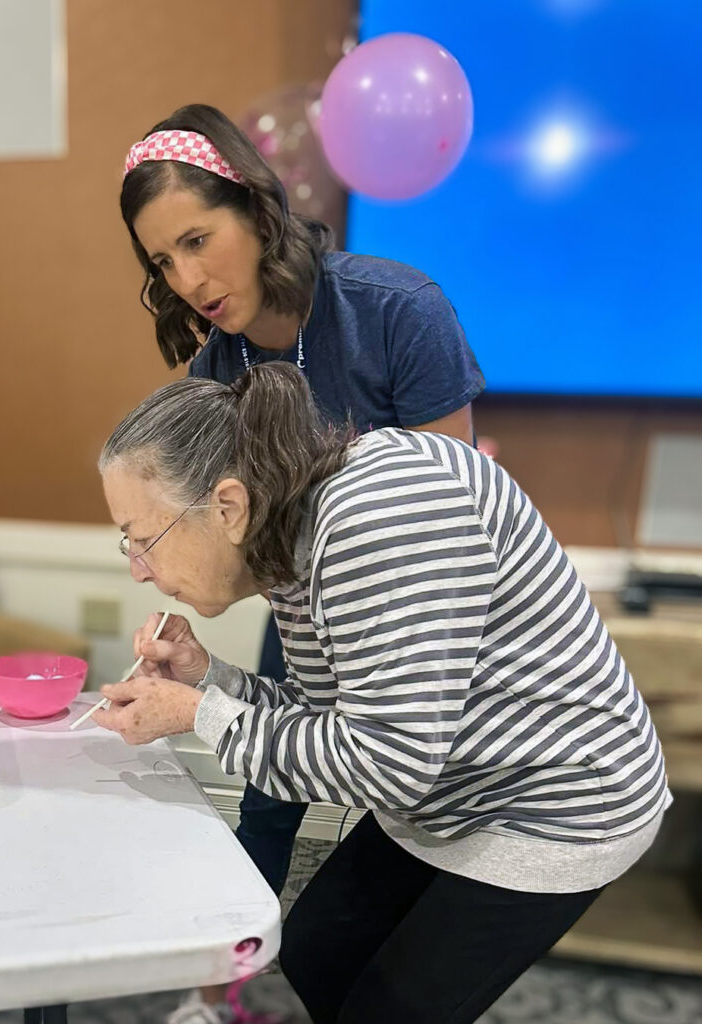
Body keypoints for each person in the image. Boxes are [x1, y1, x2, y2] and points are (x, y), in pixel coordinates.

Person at [91, 362, 670, 1024]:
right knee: (315, 952)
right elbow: (329, 719)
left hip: (554, 802)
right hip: (450, 782)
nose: (140, 571)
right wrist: (206, 677)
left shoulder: (377, 519)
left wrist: (203, 715)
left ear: (227, 505)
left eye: (143, 541)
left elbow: (387, 763)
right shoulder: (289, 530)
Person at [119, 103, 486, 1022]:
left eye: (200, 240)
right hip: (305, 617)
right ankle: (212, 999)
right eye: (164, 261)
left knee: (408, 803)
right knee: (269, 805)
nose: (190, 278)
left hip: (430, 628)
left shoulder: (398, 311)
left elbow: (458, 509)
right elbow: (229, 540)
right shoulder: (217, 375)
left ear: (257, 207)